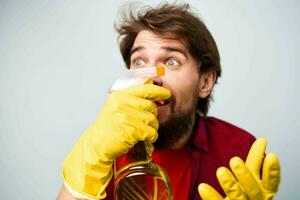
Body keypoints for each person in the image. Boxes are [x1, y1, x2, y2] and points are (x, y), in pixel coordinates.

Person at [57, 3, 280, 200]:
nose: (151, 77)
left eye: (171, 61)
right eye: (139, 61)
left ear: (205, 82)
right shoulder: (100, 149)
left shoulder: (240, 153)